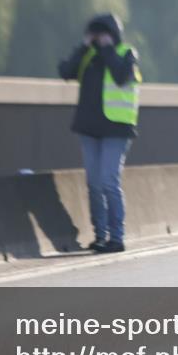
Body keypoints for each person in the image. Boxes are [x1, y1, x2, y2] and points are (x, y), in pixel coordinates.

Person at [58, 13, 142, 253]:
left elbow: (120, 76)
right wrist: (83, 47)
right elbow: (66, 71)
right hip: (89, 128)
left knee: (108, 181)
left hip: (116, 128)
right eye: (96, 33)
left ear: (114, 34)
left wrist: (107, 49)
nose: (99, 37)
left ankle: (117, 237)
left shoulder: (126, 53)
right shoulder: (88, 56)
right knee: (94, 184)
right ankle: (100, 236)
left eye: (104, 32)